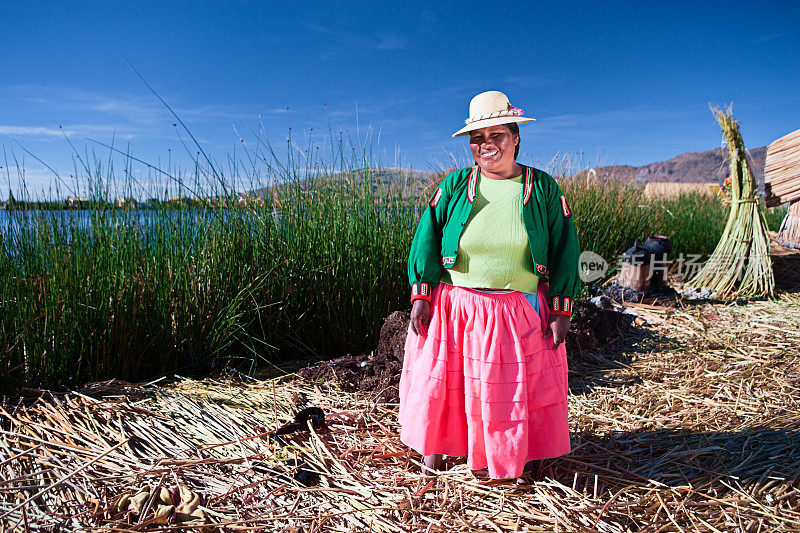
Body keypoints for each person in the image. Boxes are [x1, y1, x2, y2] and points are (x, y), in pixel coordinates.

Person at [398, 90, 581, 480]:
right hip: (456, 307)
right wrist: (422, 296)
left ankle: (509, 457)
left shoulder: (543, 189)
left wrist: (562, 308)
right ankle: (435, 452)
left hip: (517, 308)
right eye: (477, 138)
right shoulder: (454, 186)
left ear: (515, 136)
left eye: (495, 135)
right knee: (446, 384)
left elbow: (566, 247)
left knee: (506, 393)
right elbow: (426, 239)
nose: (486, 145)